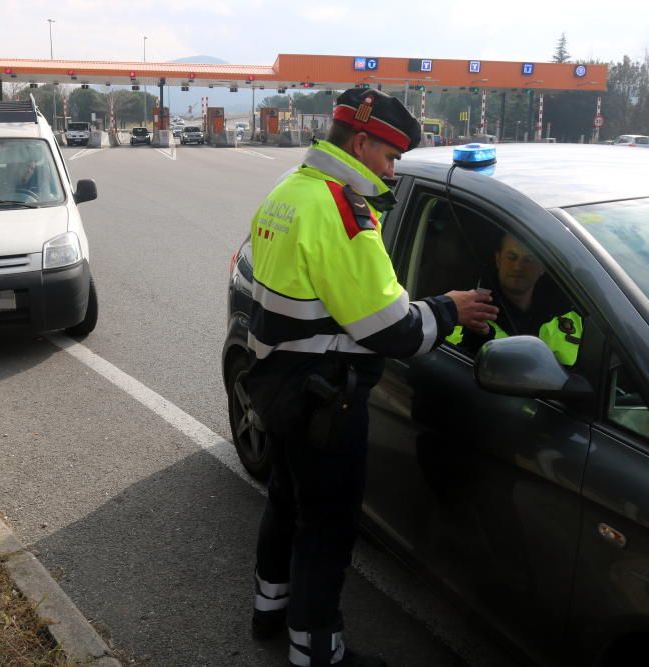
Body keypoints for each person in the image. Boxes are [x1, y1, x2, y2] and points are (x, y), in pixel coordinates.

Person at [245, 88, 498, 667]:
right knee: (327, 528)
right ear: (361, 143)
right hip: (322, 400)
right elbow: (393, 331)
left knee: (284, 502)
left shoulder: (288, 192)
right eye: (389, 157)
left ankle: (269, 611)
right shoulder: (342, 213)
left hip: (274, 383)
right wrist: (452, 308)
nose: (390, 171)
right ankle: (317, 653)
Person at [446, 232, 582, 365]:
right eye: (511, 257)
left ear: (542, 267)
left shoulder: (572, 313)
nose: (518, 267)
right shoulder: (471, 313)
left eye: (528, 259)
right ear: (498, 260)